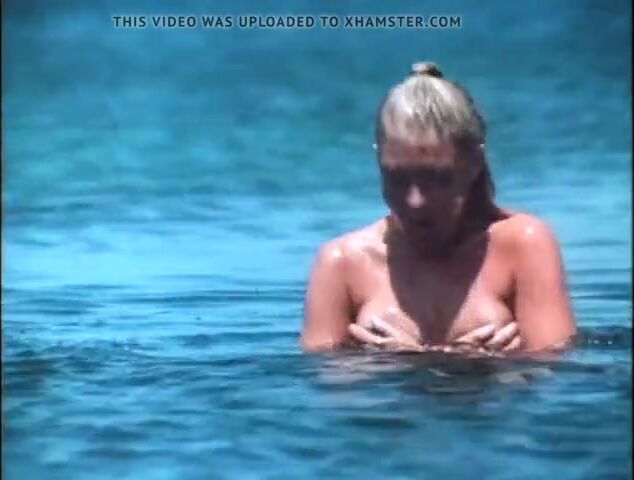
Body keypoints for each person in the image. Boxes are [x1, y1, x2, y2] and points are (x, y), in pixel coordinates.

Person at [300, 62, 577, 355]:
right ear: (378, 160)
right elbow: (319, 375)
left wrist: (434, 362)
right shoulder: (341, 264)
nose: (415, 201)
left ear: (474, 162)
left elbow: (557, 367)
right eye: (397, 178)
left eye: (437, 178)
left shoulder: (524, 245)